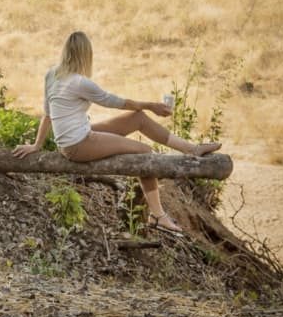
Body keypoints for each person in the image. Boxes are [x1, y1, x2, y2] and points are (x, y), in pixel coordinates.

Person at [13, 30, 222, 237]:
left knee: (137, 118)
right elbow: (113, 101)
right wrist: (151, 105)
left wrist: (37, 145)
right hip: (78, 144)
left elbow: (47, 115)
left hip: (79, 135)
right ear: (86, 54)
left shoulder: (52, 74)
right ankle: (157, 215)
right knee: (145, 152)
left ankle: (192, 149)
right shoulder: (79, 82)